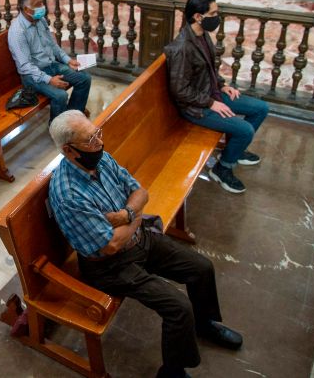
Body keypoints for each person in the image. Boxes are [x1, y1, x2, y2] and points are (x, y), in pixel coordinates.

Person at [48, 110, 244, 378]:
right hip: (109, 267)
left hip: (139, 239)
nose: (100, 143)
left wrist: (126, 215)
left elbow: (140, 191)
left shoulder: (100, 159)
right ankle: (172, 372)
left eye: (98, 133)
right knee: (177, 308)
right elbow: (111, 246)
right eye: (91, 139)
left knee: (201, 267)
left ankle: (205, 324)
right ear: (70, 151)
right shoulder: (69, 193)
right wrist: (136, 215)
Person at [164, 0, 269, 194]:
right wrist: (211, 103)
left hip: (211, 93)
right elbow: (179, 90)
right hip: (195, 106)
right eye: (213, 13)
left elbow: (209, 68)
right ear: (198, 16)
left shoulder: (201, 35)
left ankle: (234, 152)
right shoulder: (182, 47)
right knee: (245, 130)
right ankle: (222, 168)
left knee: (260, 108)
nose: (217, 17)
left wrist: (221, 85)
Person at [8, 0, 90, 122]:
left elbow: (52, 45)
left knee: (84, 78)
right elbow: (25, 66)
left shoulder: (40, 20)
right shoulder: (18, 32)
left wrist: (68, 60)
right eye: (38, 4)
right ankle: (56, 128)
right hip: (32, 75)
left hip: (51, 65)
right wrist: (49, 79)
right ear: (26, 9)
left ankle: (73, 116)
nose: (42, 7)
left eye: (42, 2)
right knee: (60, 95)